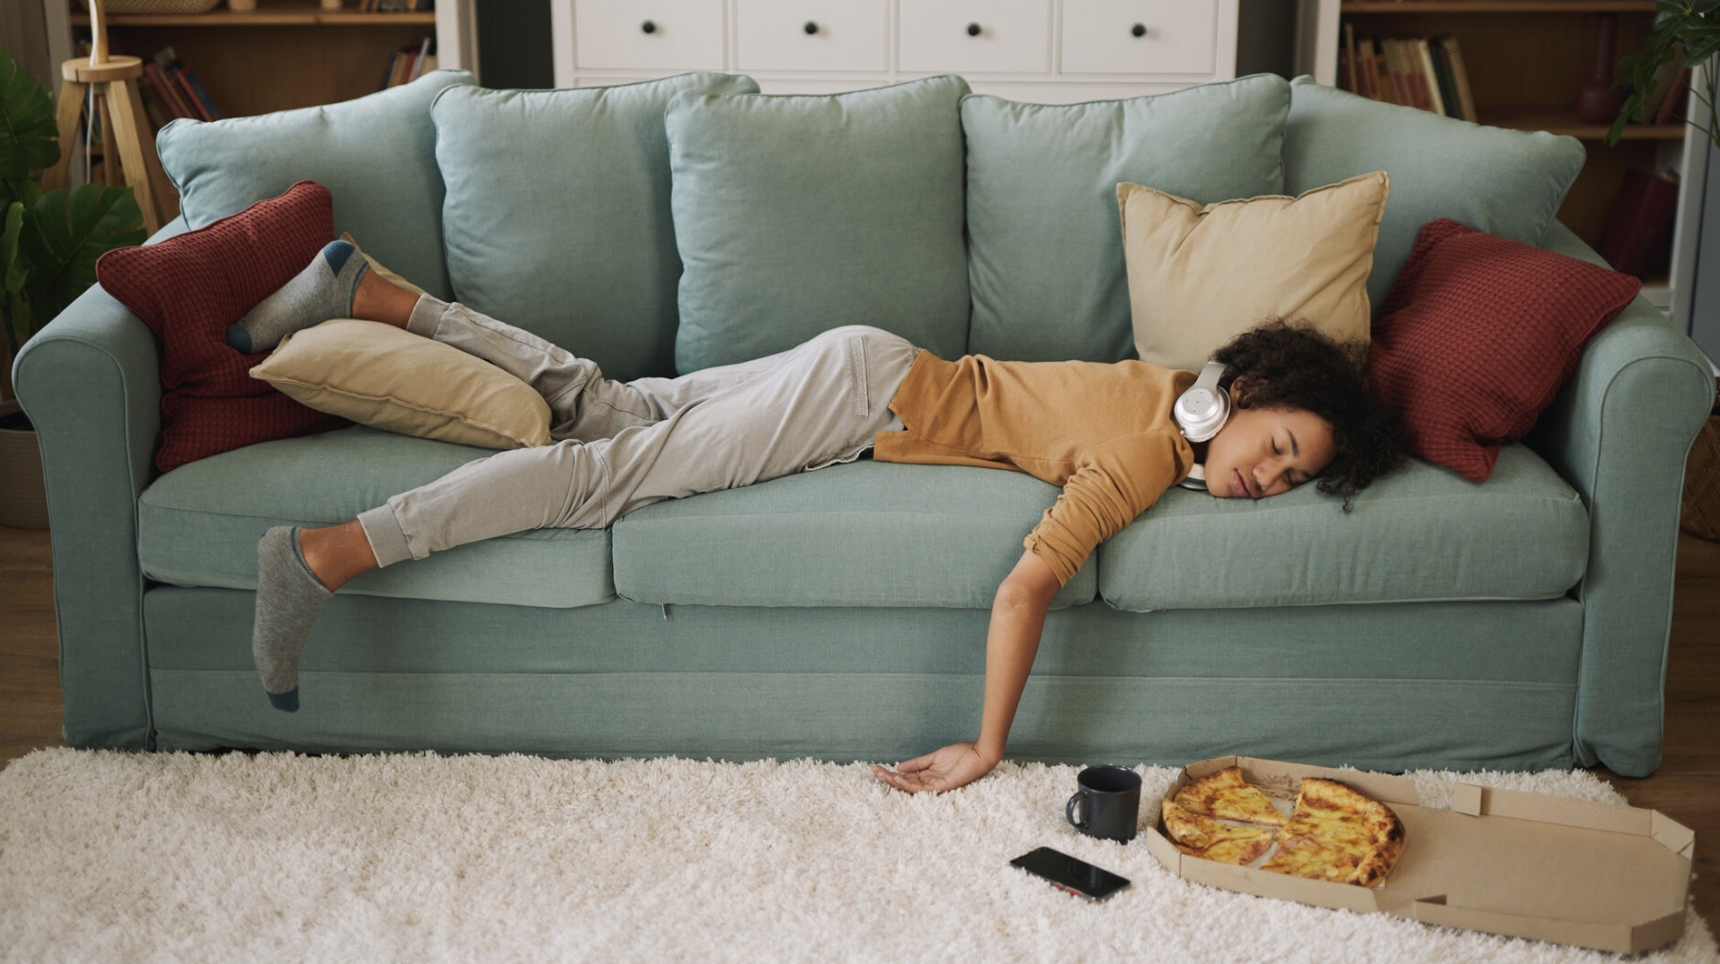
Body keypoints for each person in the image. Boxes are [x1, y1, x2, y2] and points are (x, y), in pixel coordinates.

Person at [233, 239, 1405, 794]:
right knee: (598, 482)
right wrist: (989, 743)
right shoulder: (1152, 446)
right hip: (862, 394)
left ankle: (372, 292)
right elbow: (1029, 581)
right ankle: (328, 553)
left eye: (1295, 479)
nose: (1271, 477)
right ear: (1244, 393)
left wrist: (1218, 464)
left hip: (870, 367)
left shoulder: (1166, 394)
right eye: (1283, 448)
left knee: (610, 406)